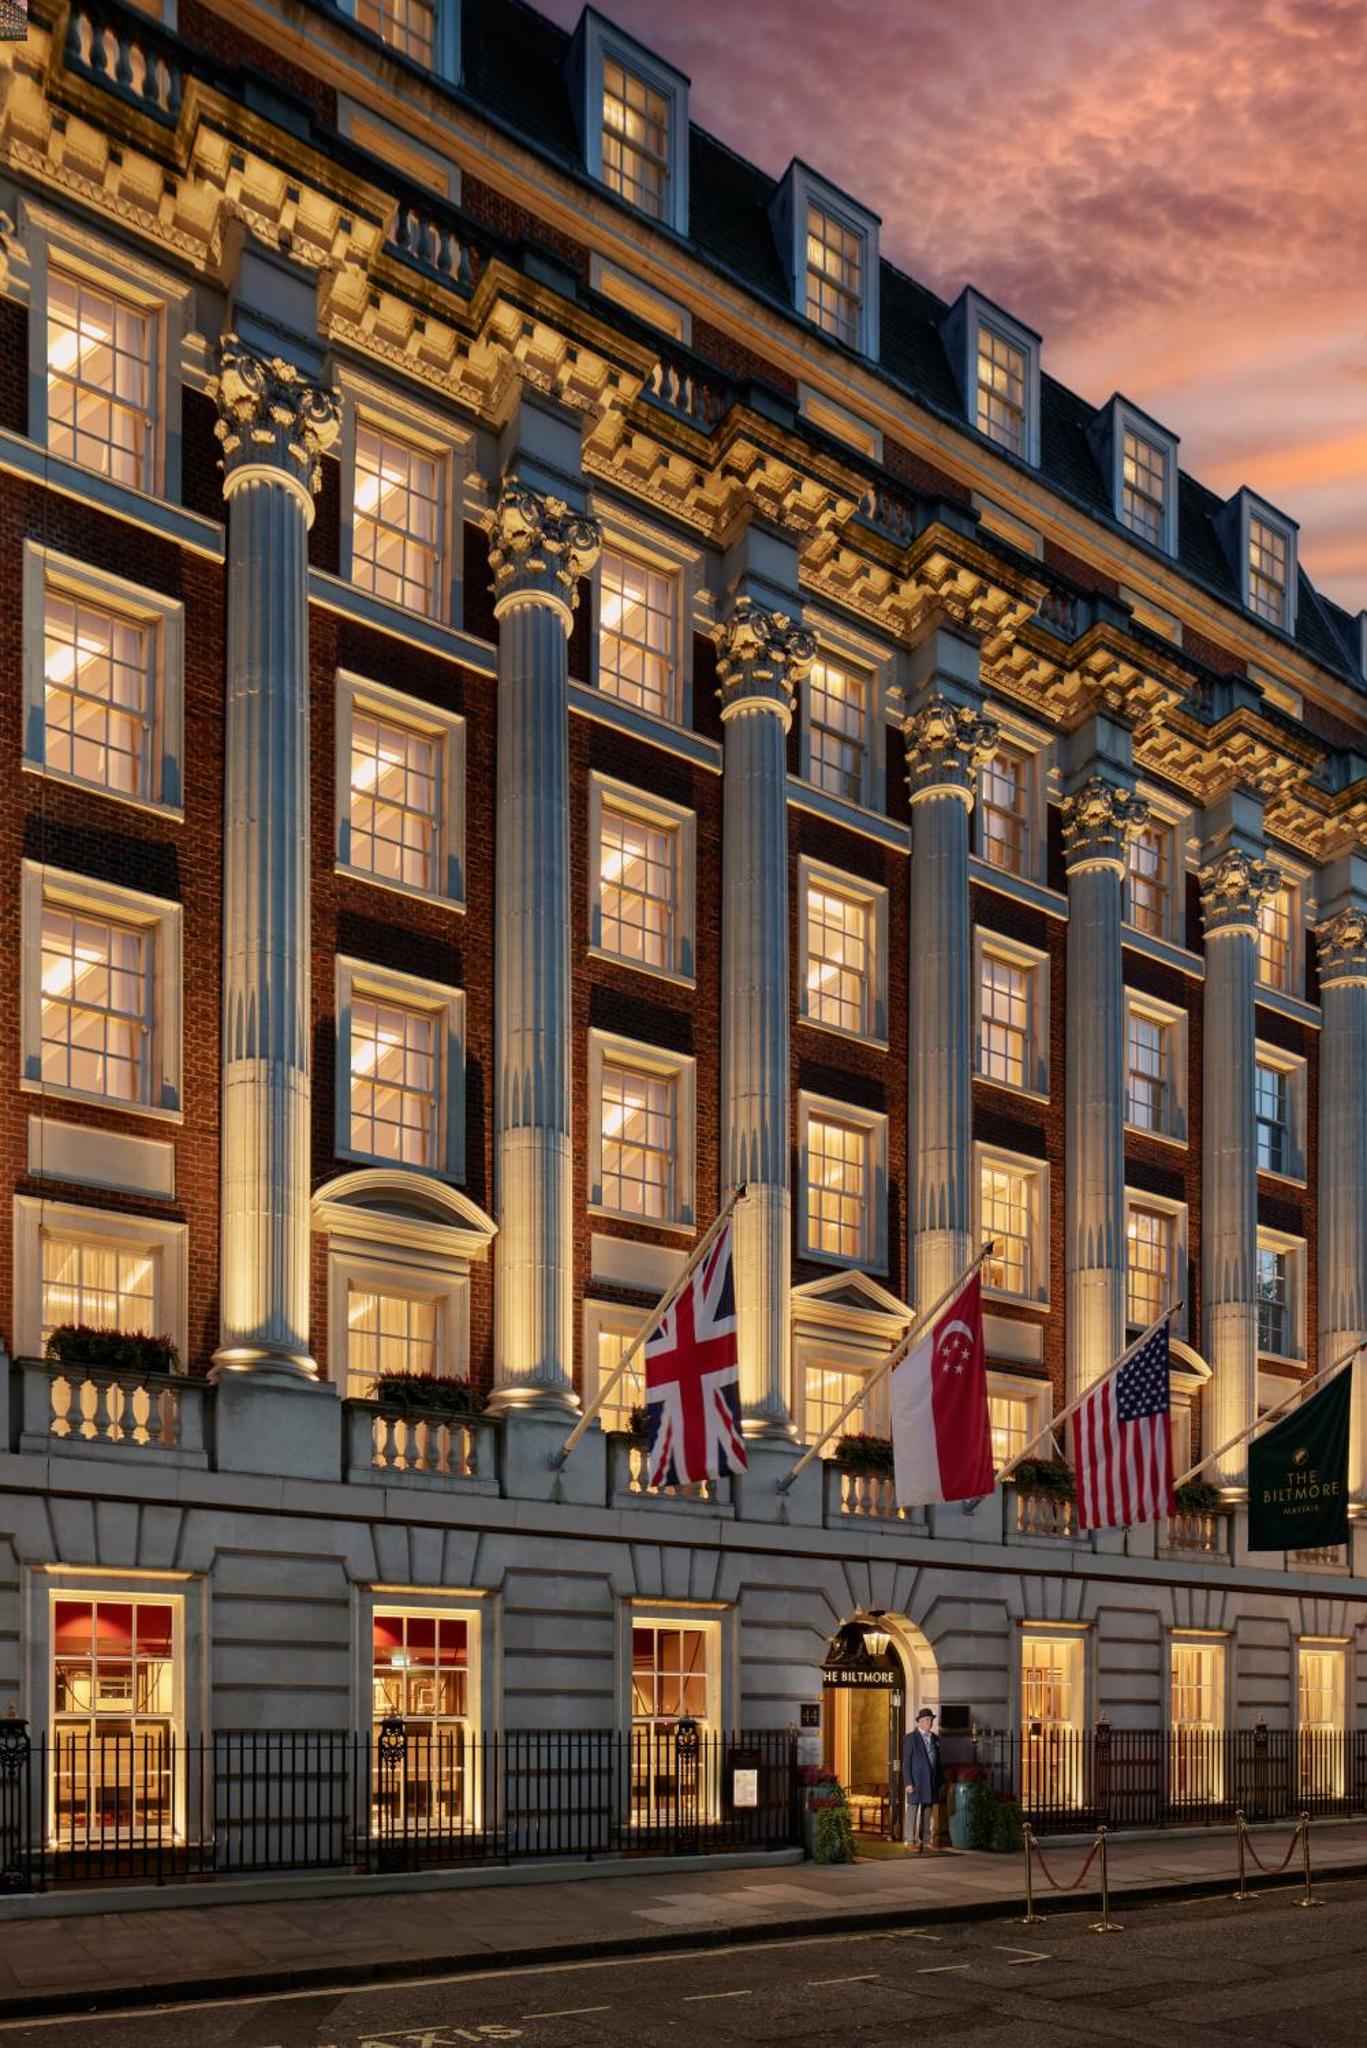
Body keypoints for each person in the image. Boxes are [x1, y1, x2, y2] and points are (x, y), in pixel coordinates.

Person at [902, 1706, 945, 1852]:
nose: (930, 1722)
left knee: (927, 1810)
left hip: (931, 1781)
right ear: (919, 1722)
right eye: (927, 1719)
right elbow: (906, 1762)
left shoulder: (935, 1739)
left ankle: (925, 1840)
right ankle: (910, 1841)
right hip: (916, 1781)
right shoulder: (910, 1738)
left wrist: (940, 1781)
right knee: (913, 1809)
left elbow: (938, 1763)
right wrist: (908, 1782)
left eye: (931, 1719)